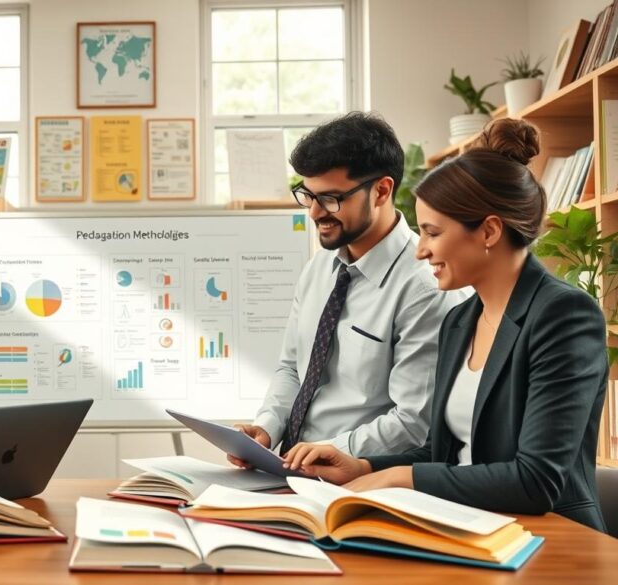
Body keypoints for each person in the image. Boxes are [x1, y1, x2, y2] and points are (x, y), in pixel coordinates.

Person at [281, 119, 609, 531]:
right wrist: (362, 465)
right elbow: (443, 452)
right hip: (465, 525)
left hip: (551, 537)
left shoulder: (564, 316)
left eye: (432, 232)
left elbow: (536, 479)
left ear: (489, 231)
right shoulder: (461, 320)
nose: (419, 250)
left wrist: (398, 478)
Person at [230, 112, 466, 464]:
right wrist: (267, 429)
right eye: (307, 196)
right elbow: (292, 368)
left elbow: (413, 422)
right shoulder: (320, 267)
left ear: (381, 191)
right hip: (289, 471)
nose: (313, 213)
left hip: (362, 481)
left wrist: (332, 452)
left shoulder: (425, 288)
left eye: (330, 198)